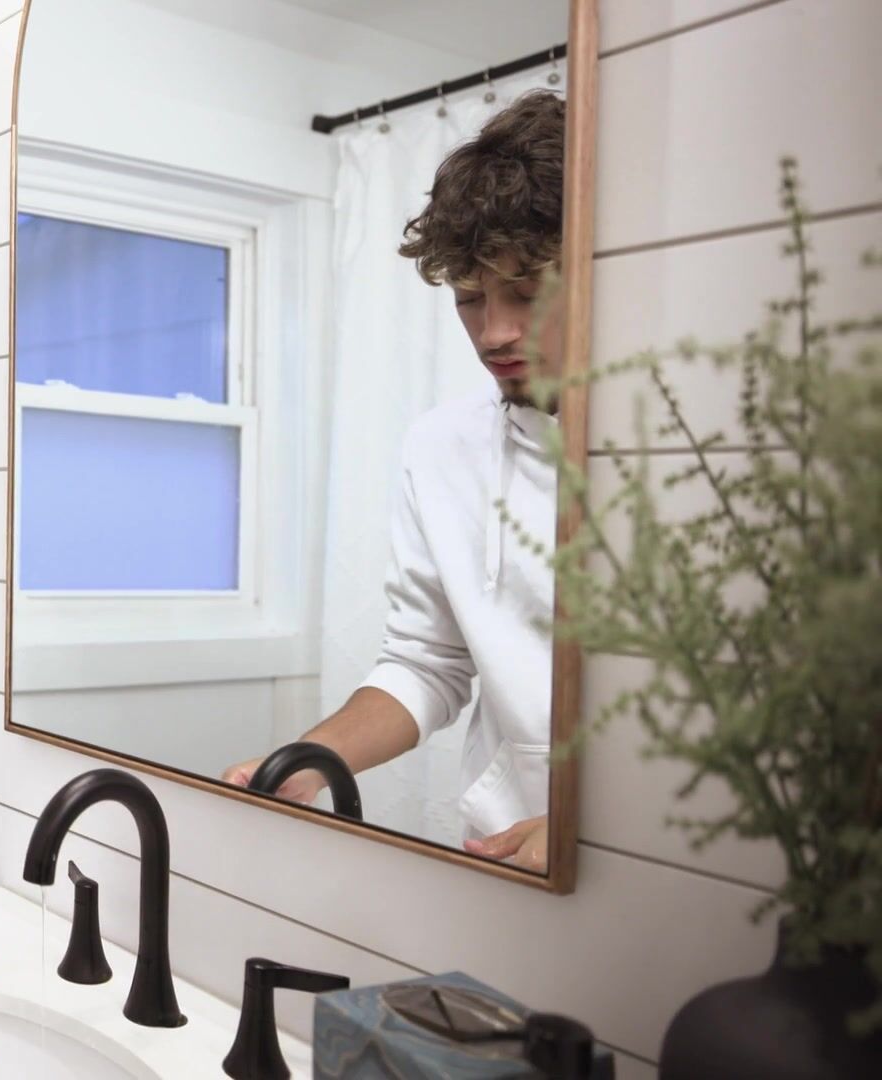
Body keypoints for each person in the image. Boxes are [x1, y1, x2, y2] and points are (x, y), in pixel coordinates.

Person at [225, 91, 567, 873]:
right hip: (500, 852)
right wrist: (309, 759)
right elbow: (426, 663)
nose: (494, 332)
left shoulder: (694, 448)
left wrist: (600, 830)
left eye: (527, 292)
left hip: (665, 857)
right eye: (470, 299)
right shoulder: (442, 447)